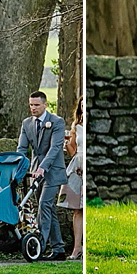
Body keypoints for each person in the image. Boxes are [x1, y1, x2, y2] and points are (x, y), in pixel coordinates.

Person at [19, 90, 69, 261]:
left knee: (44, 205)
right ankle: (59, 249)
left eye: (36, 105)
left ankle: (39, 245)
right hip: (35, 173)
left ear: (45, 104)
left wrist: (43, 167)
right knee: (49, 209)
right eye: (31, 105)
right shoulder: (26, 124)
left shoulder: (57, 122)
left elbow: (55, 148)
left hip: (53, 171)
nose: (33, 108)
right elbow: (22, 149)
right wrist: (20, 166)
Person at [56, 98, 86, 261]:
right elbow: (73, 152)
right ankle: (77, 248)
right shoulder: (77, 127)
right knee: (77, 209)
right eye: (82, 105)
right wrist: (65, 143)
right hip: (78, 166)